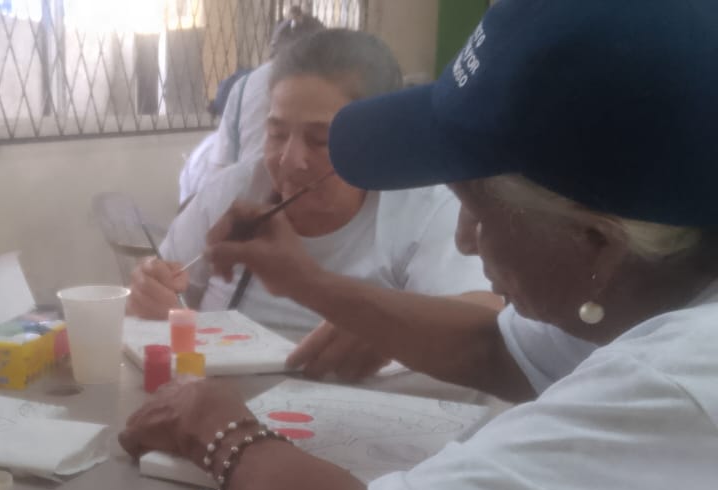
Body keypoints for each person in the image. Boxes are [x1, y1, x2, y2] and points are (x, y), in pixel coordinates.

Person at [121, 0, 718, 490]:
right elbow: (489, 344)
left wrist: (210, 422)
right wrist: (305, 280)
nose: (462, 238)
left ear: (598, 242)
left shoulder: (685, 385)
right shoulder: (662, 284)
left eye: (477, 208)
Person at [136, 30, 498, 383]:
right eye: (277, 134)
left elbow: (490, 321)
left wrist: (393, 324)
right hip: (222, 402)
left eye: (320, 140)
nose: (289, 160)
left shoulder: (421, 207)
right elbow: (169, 286)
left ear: (379, 141)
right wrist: (154, 292)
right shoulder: (235, 190)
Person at [177, 11, 324, 205]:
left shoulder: (245, 85)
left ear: (273, 48)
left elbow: (219, 170)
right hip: (306, 197)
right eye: (277, 134)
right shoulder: (328, 83)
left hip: (250, 200)